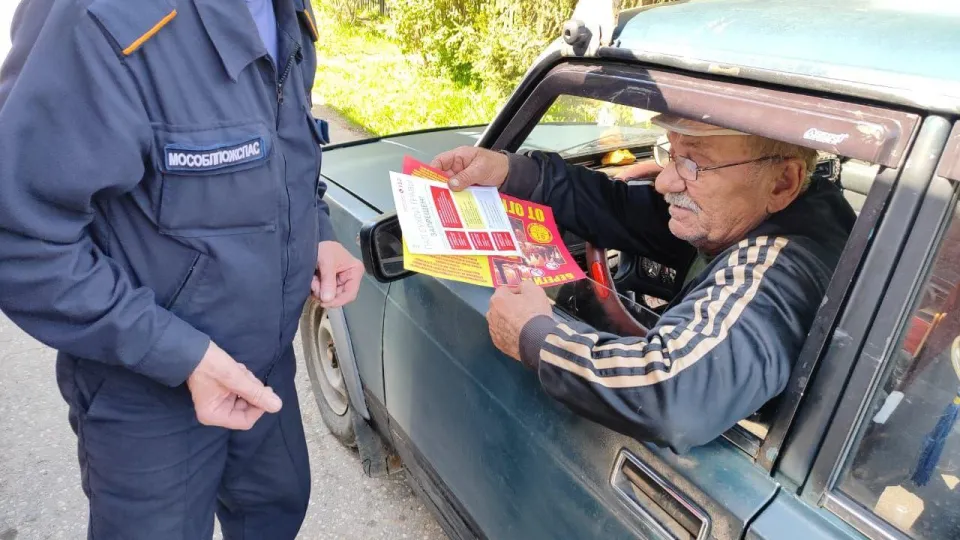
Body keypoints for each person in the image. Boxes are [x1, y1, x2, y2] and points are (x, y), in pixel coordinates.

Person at [0, 0, 363, 538]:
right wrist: (180, 356)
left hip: (263, 368)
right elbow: (20, 239)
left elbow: (285, 146)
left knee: (278, 509)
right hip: (145, 396)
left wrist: (319, 232)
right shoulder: (94, 18)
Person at [431, 114, 857, 453]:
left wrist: (538, 337)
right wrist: (510, 172)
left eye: (695, 164)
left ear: (783, 181)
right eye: (671, 156)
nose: (666, 181)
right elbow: (619, 209)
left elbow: (674, 395)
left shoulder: (780, 266)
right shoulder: (770, 208)